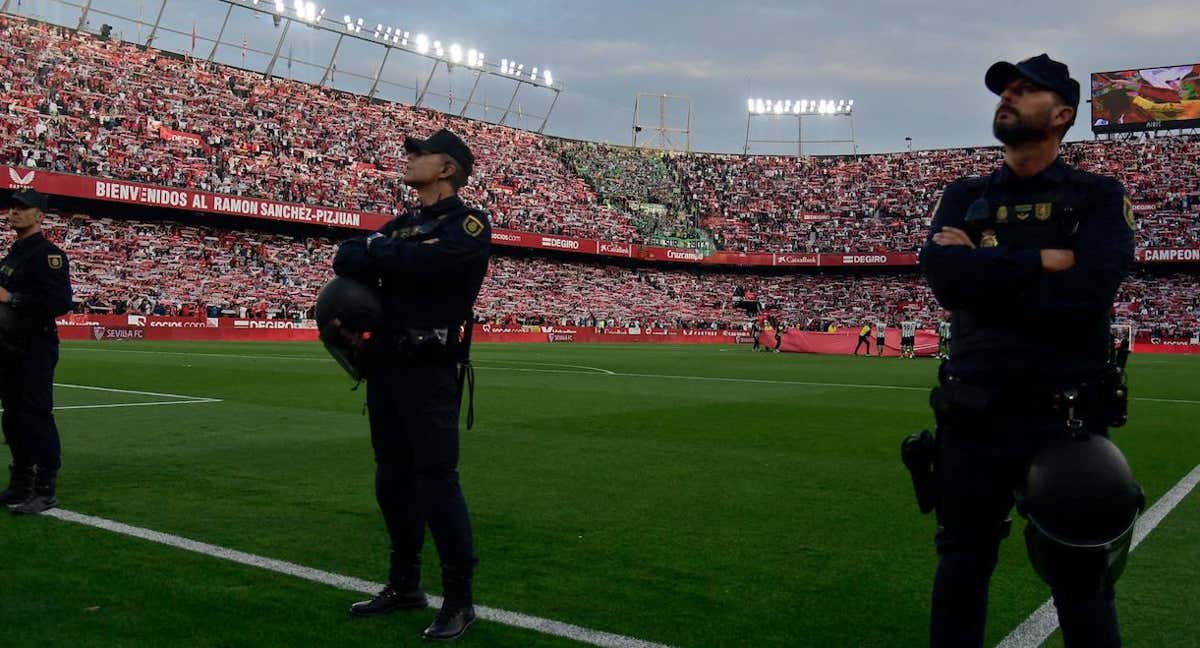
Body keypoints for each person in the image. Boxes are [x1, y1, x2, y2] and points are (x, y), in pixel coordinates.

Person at [919, 54, 1136, 647]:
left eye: (1023, 90)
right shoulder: (965, 193)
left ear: (1063, 114)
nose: (1006, 98)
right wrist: (1042, 259)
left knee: (1080, 575)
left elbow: (1088, 290)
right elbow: (944, 277)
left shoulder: (1095, 195)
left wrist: (984, 268)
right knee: (961, 565)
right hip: (973, 414)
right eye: (1003, 90)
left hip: (1065, 418)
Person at [331, 129, 490, 642]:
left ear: (447, 169)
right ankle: (405, 585)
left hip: (430, 368)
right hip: (386, 368)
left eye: (420, 153)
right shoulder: (404, 225)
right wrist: (387, 249)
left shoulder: (469, 223)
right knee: (391, 478)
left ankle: (460, 601)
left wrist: (384, 252)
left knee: (437, 481)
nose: (410, 158)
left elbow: (429, 263)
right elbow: (345, 256)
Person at [0, 189, 73, 514]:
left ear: (39, 216)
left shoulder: (48, 255)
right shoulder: (14, 253)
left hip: (35, 347)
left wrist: (12, 300)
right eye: (13, 207)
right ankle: (20, 484)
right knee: (13, 418)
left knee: (37, 416)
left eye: (23, 208)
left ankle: (45, 488)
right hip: (8, 346)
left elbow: (60, 303)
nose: (14, 212)